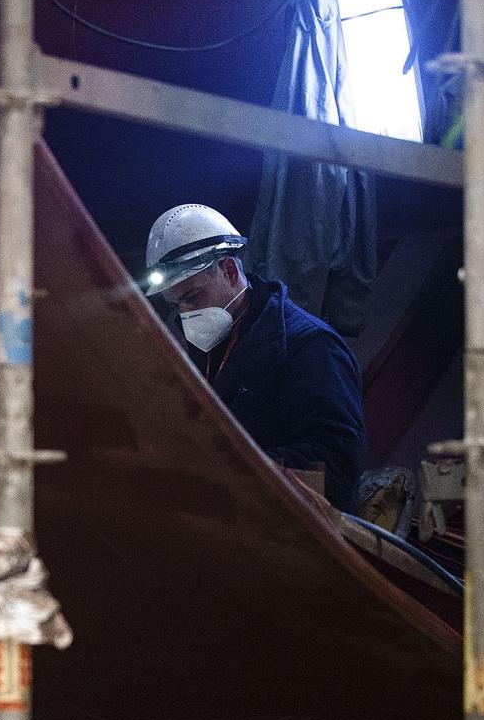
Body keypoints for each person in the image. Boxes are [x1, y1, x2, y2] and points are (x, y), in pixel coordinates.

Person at [144, 203, 369, 511]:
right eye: (177, 304)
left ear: (229, 270)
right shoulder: (209, 345)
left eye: (193, 297)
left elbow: (337, 462)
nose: (186, 314)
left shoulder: (309, 346)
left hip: (298, 538)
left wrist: (234, 474)